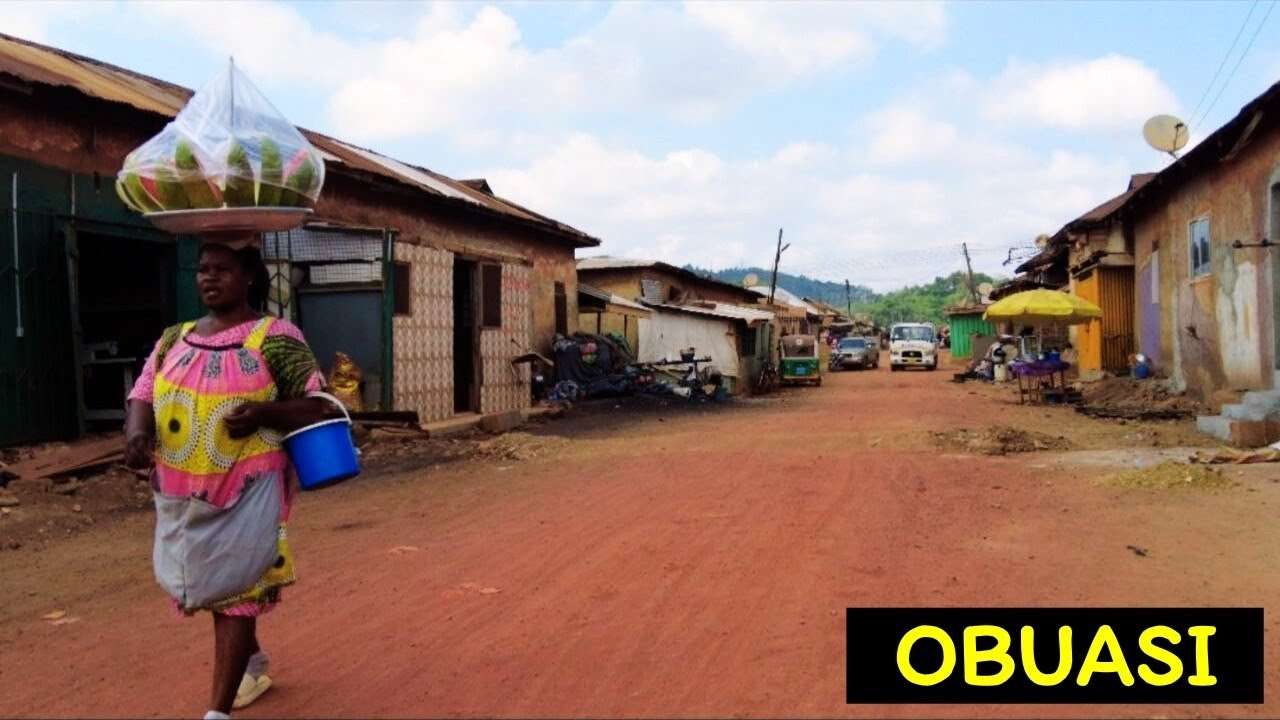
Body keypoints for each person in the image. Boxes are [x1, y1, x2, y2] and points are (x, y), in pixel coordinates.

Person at [124, 239, 328, 719]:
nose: (209, 278)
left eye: (223, 269)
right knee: (212, 581)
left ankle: (217, 712)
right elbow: (143, 393)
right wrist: (137, 434)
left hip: (249, 489)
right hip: (181, 492)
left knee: (237, 587)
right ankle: (252, 662)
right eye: (203, 269)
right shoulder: (176, 337)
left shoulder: (276, 337)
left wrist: (264, 412)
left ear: (250, 276)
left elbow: (318, 404)